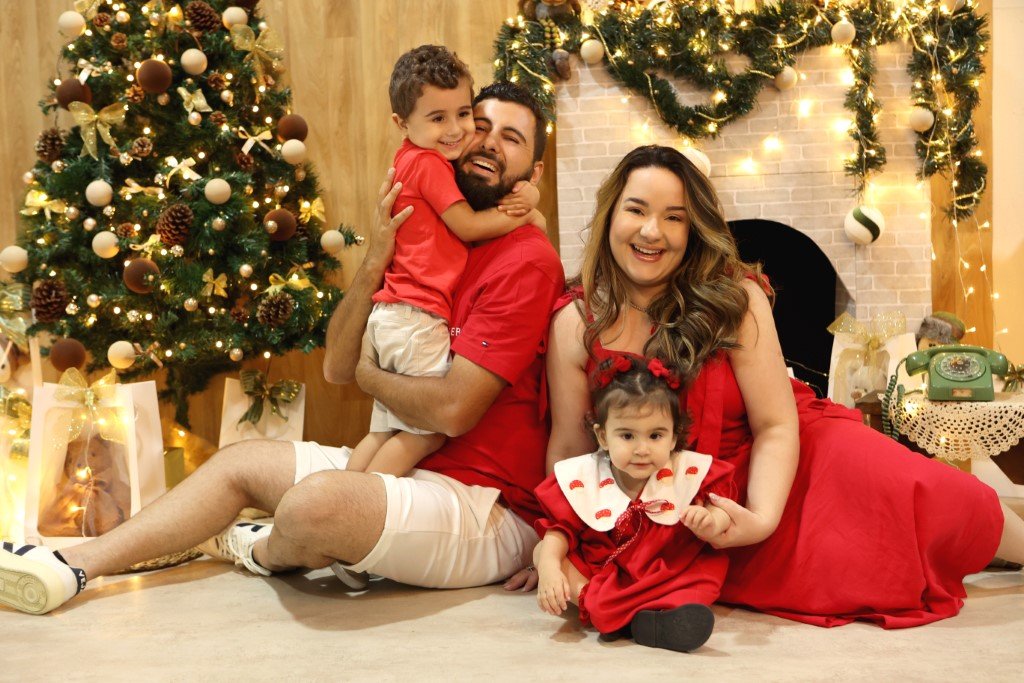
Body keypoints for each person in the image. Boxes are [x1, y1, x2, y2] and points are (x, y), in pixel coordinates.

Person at [0, 81, 564, 616]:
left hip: (484, 503)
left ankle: (259, 547)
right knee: (239, 461)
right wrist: (376, 257)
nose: (488, 142)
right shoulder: (429, 229)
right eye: (480, 125)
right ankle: (74, 565)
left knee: (315, 505)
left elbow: (452, 411)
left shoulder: (525, 260)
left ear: (534, 171)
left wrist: (371, 376)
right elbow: (337, 366)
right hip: (407, 467)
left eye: (511, 138)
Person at [508, 144, 1024, 628]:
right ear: (610, 215)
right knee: (849, 567)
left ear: (694, 229)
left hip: (780, 460)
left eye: (674, 217)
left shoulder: (734, 297)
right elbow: (571, 449)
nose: (651, 231)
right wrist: (557, 541)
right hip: (675, 499)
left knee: (937, 494)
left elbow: (776, 424)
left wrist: (761, 518)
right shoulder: (577, 321)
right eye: (636, 210)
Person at [347, 45, 542, 478]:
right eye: (438, 119)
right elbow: (469, 226)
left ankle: (344, 491)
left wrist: (529, 195)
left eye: (463, 114)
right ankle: (362, 498)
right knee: (426, 433)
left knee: (383, 430)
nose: (456, 131)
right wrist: (526, 213)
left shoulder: (411, 157)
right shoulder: (431, 166)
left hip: (392, 316)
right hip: (417, 317)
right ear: (402, 123)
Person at [534, 355, 735, 652]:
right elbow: (560, 530)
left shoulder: (687, 471)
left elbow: (721, 508)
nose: (642, 449)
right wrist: (550, 567)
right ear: (603, 436)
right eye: (627, 435)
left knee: (700, 577)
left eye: (656, 435)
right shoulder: (585, 475)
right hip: (605, 574)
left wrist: (712, 521)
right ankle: (625, 616)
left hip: (667, 571)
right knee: (544, 552)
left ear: (674, 437)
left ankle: (636, 620)